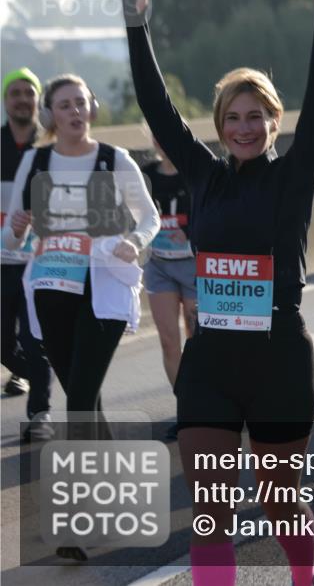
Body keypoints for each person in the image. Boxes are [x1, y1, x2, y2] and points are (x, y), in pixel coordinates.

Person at [117, 0, 314, 586]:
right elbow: (157, 107)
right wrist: (137, 24)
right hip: (211, 360)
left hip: (277, 355)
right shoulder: (203, 176)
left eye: (256, 117)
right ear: (219, 128)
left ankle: (307, 572)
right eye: (232, 118)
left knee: (280, 502)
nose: (244, 128)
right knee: (211, 510)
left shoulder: (293, 175)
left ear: (274, 122)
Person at [2, 72, 159, 559]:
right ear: (52, 114)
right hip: (53, 288)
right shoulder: (37, 159)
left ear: (92, 107)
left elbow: (149, 216)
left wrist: (134, 241)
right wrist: (20, 226)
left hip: (106, 289)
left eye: (79, 103)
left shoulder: (116, 159)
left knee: (81, 396)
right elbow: (12, 239)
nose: (72, 111)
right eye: (62, 105)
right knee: (81, 394)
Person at [1, 67, 53, 441]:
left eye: (28, 92)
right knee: (4, 343)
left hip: (42, 264)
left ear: (38, 101)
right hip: (2, 261)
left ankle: (40, 414)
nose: (22, 98)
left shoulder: (52, 150)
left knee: (36, 341)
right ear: (6, 102)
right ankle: (40, 372)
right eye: (15, 92)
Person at [141, 136, 197, 441]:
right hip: (158, 265)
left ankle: (212, 405)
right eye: (157, 135)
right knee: (168, 341)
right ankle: (186, 410)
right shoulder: (145, 174)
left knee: (197, 340)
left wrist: (188, 232)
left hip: (193, 267)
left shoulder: (195, 171)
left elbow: (214, 208)